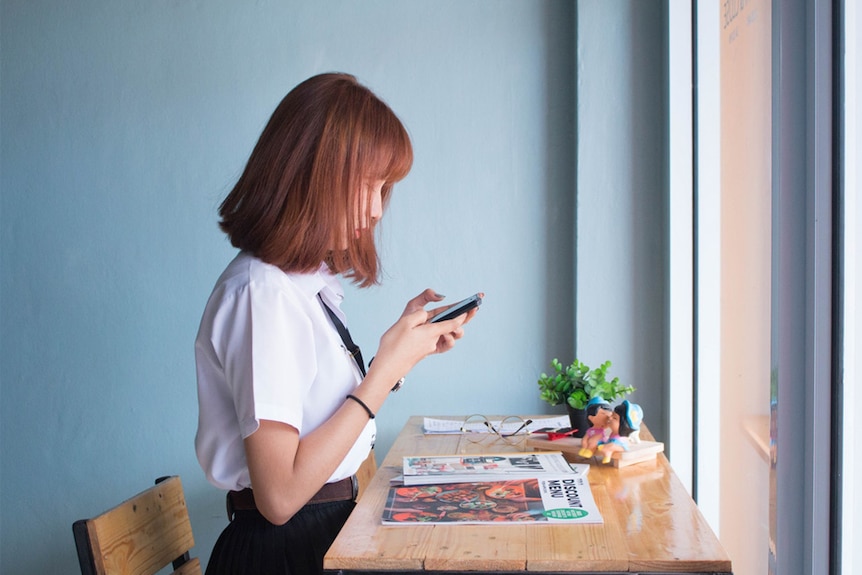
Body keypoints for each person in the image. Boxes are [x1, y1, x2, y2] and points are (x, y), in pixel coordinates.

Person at [194, 72, 479, 575]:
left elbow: (321, 420)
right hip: (282, 552)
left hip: (320, 535)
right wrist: (384, 372)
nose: (374, 210)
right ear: (309, 173)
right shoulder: (263, 295)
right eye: (366, 185)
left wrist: (400, 355)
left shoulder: (301, 287)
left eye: (383, 189)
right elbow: (279, 497)